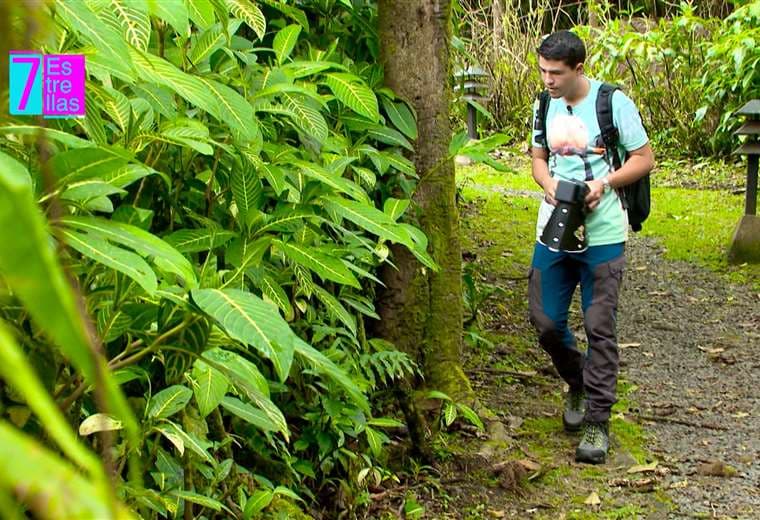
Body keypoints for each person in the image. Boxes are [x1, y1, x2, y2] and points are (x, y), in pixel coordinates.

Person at [528, 30, 654, 464]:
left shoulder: (612, 102)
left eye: (556, 73)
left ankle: (598, 420)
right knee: (544, 320)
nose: (547, 79)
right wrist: (548, 186)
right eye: (543, 70)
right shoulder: (543, 102)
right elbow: (538, 158)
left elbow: (644, 158)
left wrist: (604, 183)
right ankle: (577, 380)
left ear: (578, 68)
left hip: (602, 232)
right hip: (555, 227)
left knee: (600, 326)